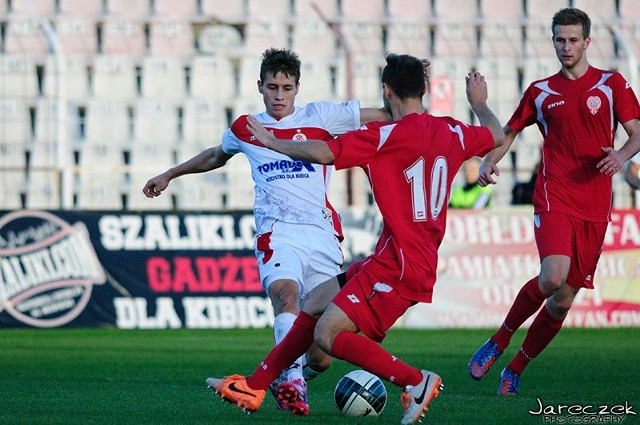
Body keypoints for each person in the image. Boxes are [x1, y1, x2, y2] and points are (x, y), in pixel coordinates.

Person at [206, 53, 504, 424]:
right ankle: (254, 385)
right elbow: (497, 133)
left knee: (328, 335)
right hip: (396, 256)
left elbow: (323, 152)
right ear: (423, 89)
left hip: (401, 265)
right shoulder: (452, 130)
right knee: (314, 301)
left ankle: (415, 381)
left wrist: (271, 140)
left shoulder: (385, 137)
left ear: (386, 90)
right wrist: (479, 103)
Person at [142, 48, 395, 415]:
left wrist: (404, 82)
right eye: (272, 87)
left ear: (297, 89)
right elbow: (216, 155)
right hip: (278, 232)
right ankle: (292, 382)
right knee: (286, 296)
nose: (279, 95)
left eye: (286, 88)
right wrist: (169, 174)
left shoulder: (321, 116)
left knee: (322, 353)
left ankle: (289, 376)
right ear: (260, 86)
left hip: (322, 236)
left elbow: (386, 114)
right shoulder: (247, 127)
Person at [468, 7, 640, 396]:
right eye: (560, 40)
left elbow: (637, 131)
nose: (566, 47)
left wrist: (621, 154)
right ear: (553, 41)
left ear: (587, 42)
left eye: (573, 40)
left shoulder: (612, 84)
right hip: (554, 194)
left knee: (561, 302)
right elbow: (508, 133)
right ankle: (497, 342)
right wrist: (487, 160)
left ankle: (514, 369)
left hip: (595, 206)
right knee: (552, 276)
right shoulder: (540, 91)